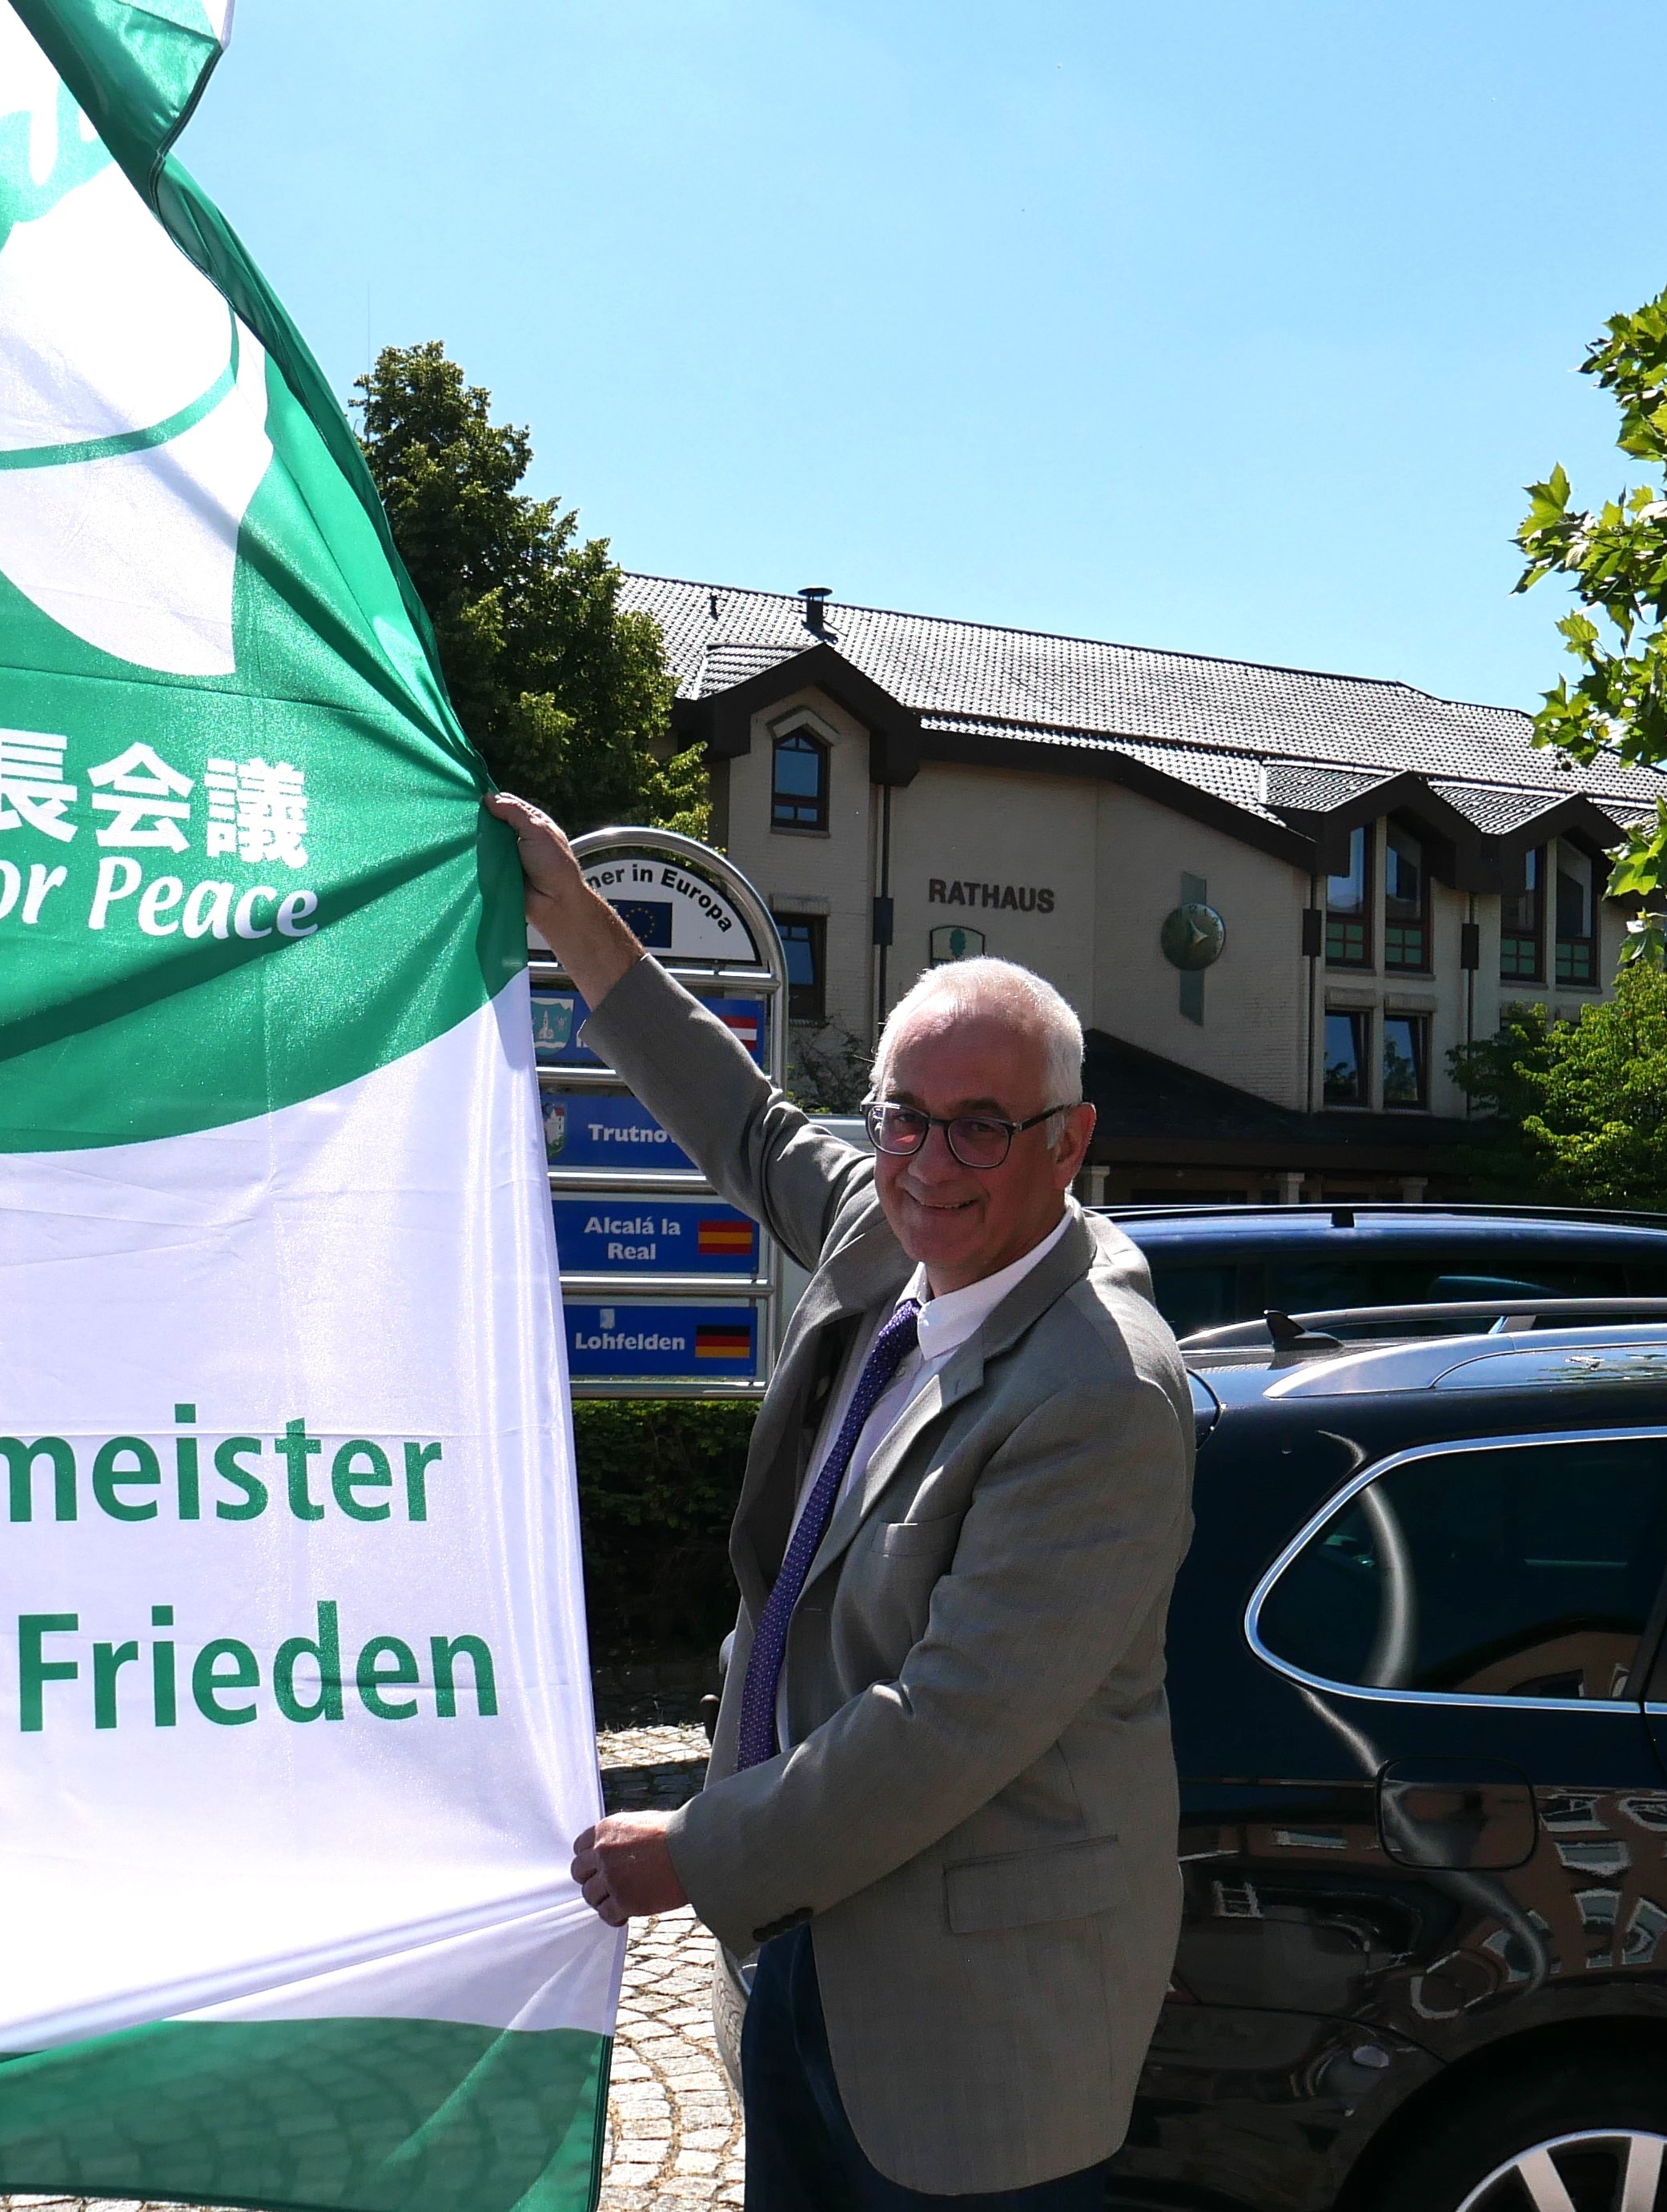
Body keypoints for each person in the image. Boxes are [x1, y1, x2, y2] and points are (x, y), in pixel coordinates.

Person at [491, 793, 1195, 2212]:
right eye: (906, 1120)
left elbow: (945, 1724)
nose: (931, 1165)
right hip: (804, 1952)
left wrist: (692, 1850)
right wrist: (572, 919)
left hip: (973, 2030)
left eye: (982, 1129)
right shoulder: (892, 1234)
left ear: (1067, 1141)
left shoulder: (1099, 1391)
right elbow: (746, 1123)